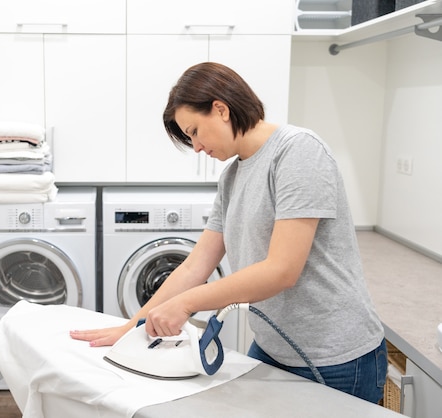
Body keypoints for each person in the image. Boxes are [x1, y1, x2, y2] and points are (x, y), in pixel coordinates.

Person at [70, 62, 387, 404]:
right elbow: (195, 266)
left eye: (194, 131)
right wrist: (131, 325)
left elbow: (281, 270)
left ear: (220, 109)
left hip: (335, 356)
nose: (196, 147)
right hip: (274, 346)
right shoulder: (232, 177)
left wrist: (186, 304)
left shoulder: (298, 152)